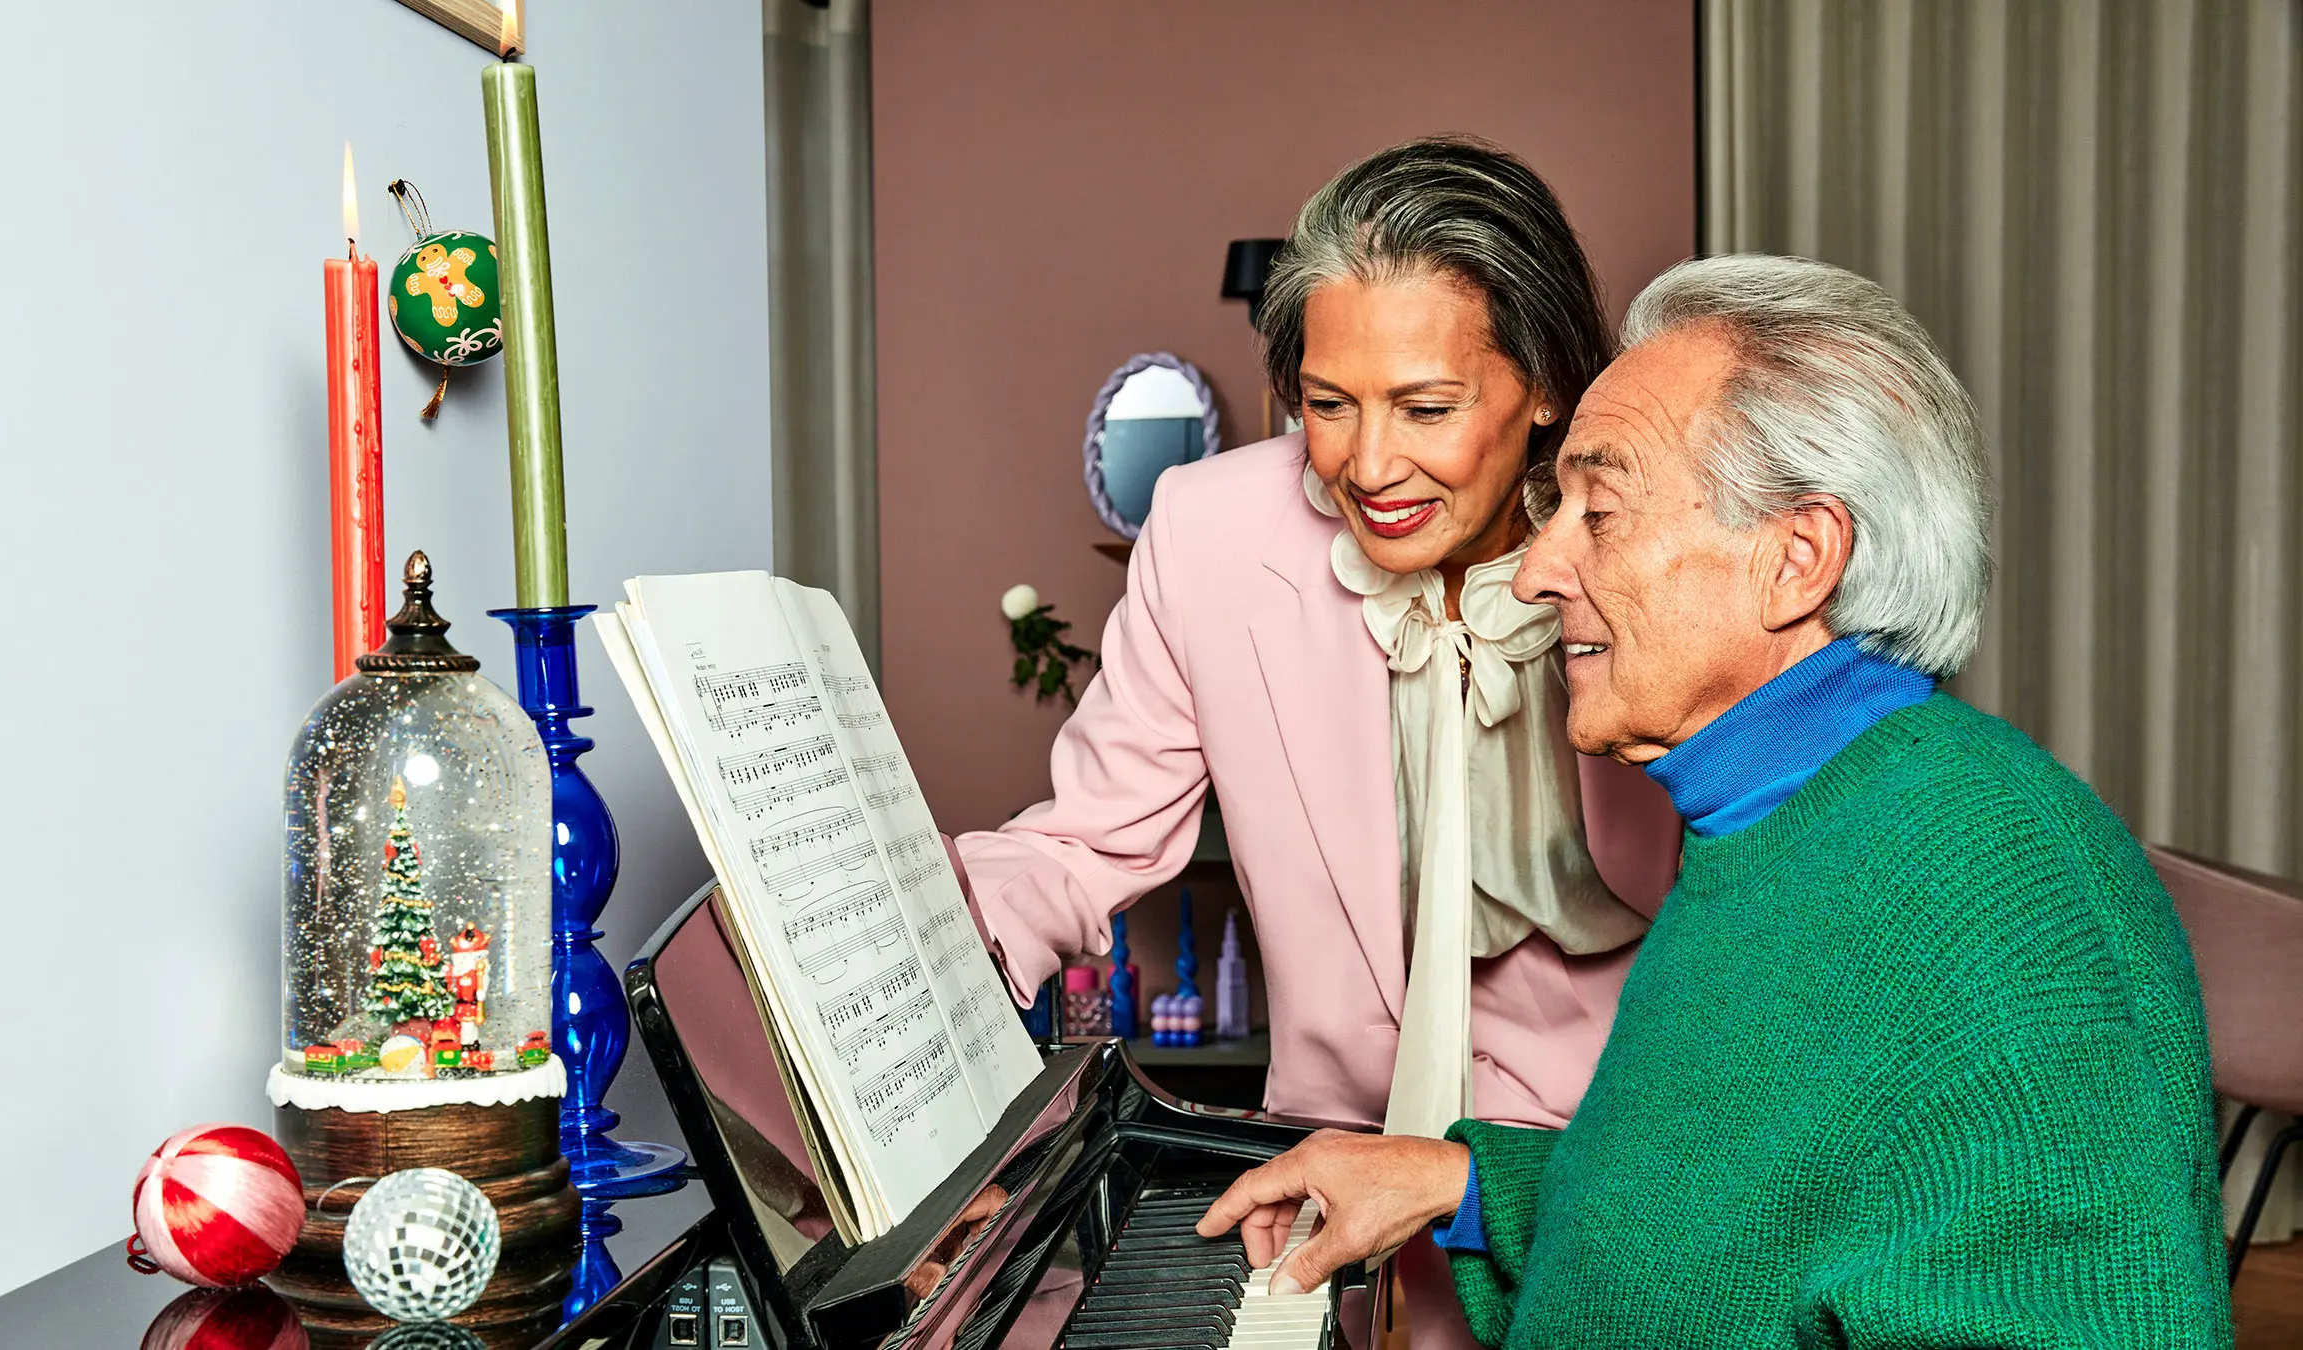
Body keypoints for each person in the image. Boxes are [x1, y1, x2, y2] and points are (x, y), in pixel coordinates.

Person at [1198, 254, 2232, 1346]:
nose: (1539, 571)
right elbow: (1736, 1219)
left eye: (1600, 512)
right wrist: (1456, 1180)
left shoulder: (1997, 906)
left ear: (1796, 559)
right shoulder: (1779, 813)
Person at [947, 138, 1682, 1341]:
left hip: (1606, 1209)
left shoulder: (1657, 547)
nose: (1368, 465)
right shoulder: (1212, 532)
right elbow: (1080, 845)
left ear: (1547, 383)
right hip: (1324, 1212)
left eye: (1427, 408)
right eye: (1328, 406)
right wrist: (924, 951)